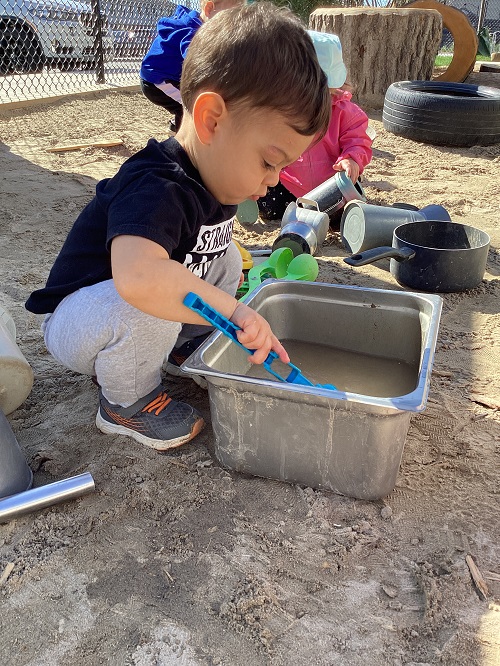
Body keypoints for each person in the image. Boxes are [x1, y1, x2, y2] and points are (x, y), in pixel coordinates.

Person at [25, 2, 331, 453]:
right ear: (211, 119)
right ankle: (124, 402)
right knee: (146, 299)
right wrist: (235, 312)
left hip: (133, 311)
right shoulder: (156, 185)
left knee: (224, 254)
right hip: (85, 322)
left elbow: (200, 259)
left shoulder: (215, 178)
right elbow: (139, 279)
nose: (272, 182)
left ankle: (181, 348)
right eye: (269, 162)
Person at [258, 30, 373, 221]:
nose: (312, 102)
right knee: (270, 207)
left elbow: (358, 139)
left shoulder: (346, 112)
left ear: (336, 87)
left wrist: (351, 159)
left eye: (323, 93)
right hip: (289, 183)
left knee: (344, 214)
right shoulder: (280, 111)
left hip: (332, 183)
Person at [140, 0, 243, 132]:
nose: (230, 25)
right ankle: (180, 139)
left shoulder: (195, 22)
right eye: (227, 17)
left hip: (166, 76)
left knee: (192, 100)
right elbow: (193, 55)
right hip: (158, 81)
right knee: (192, 105)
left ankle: (175, 125)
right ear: (209, 8)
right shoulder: (192, 31)